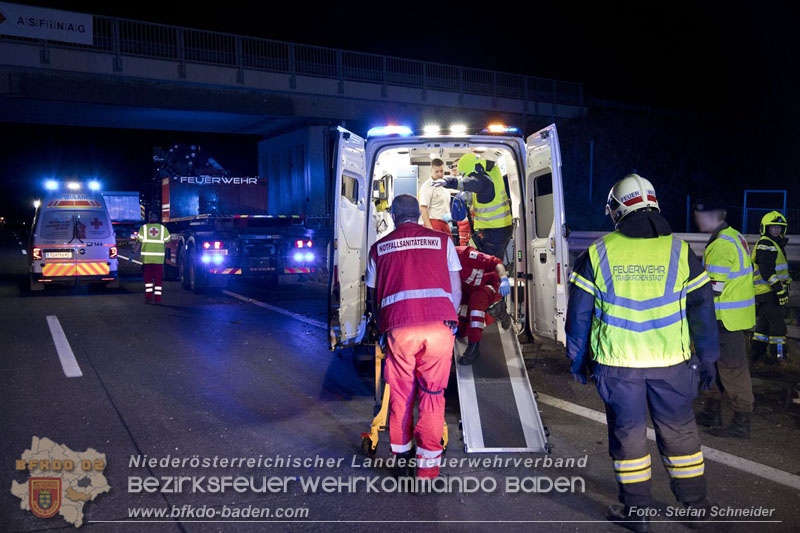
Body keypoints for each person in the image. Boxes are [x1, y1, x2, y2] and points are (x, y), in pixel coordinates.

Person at [566, 174, 719, 531]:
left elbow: (579, 316)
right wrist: (709, 357)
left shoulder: (599, 252)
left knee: (629, 435)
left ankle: (638, 514)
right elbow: (702, 310)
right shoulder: (681, 251)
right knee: (681, 435)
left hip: (618, 366)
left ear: (617, 209)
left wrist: (576, 359)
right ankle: (696, 508)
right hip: (672, 365)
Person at [364, 194, 462, 480]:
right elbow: (455, 290)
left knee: (402, 396)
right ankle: (428, 472)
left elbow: (374, 297)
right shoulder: (443, 242)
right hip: (439, 328)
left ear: (393, 215)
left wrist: (382, 329)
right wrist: (451, 320)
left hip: (400, 329)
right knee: (433, 397)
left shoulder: (379, 248)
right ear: (418, 216)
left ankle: (402, 461)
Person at [693, 199, 756, 438]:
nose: (696, 220)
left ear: (713, 216)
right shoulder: (733, 236)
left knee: (732, 369)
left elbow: (712, 288)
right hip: (725, 318)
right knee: (711, 365)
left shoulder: (721, 245)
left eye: (699, 215)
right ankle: (712, 412)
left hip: (724, 318)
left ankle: (741, 422)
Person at [438, 153, 513, 259]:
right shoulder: (492, 173)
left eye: (466, 174)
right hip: (496, 229)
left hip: (494, 231)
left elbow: (468, 182)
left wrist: (448, 182)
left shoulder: (482, 180)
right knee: (479, 255)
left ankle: (495, 275)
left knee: (489, 264)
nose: (466, 177)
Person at [454, 245, 513, 365]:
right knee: (462, 331)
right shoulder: (438, 263)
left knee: (477, 303)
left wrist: (503, 278)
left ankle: (474, 348)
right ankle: (497, 308)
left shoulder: (464, 254)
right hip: (469, 291)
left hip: (491, 284)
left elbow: (495, 262)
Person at [751, 211, 791, 362]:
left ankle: (756, 356)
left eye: (779, 227)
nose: (776, 230)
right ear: (765, 228)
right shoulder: (766, 243)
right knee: (778, 326)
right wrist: (780, 290)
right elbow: (767, 270)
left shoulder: (772, 243)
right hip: (770, 292)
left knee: (763, 324)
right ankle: (778, 358)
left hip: (767, 292)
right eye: (773, 227)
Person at [134, 212, 171, 304]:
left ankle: (148, 297)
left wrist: (133, 253)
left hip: (147, 260)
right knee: (158, 280)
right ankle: (158, 299)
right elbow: (168, 242)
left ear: (149, 218)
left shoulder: (144, 228)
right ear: (157, 218)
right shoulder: (163, 229)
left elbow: (139, 242)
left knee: (148, 280)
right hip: (158, 260)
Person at [418, 158, 453, 235]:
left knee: (449, 246)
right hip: (434, 224)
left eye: (441, 171)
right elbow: (423, 209)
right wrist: (430, 230)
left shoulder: (445, 185)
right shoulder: (427, 186)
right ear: (431, 170)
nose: (440, 174)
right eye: (436, 172)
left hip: (446, 224)